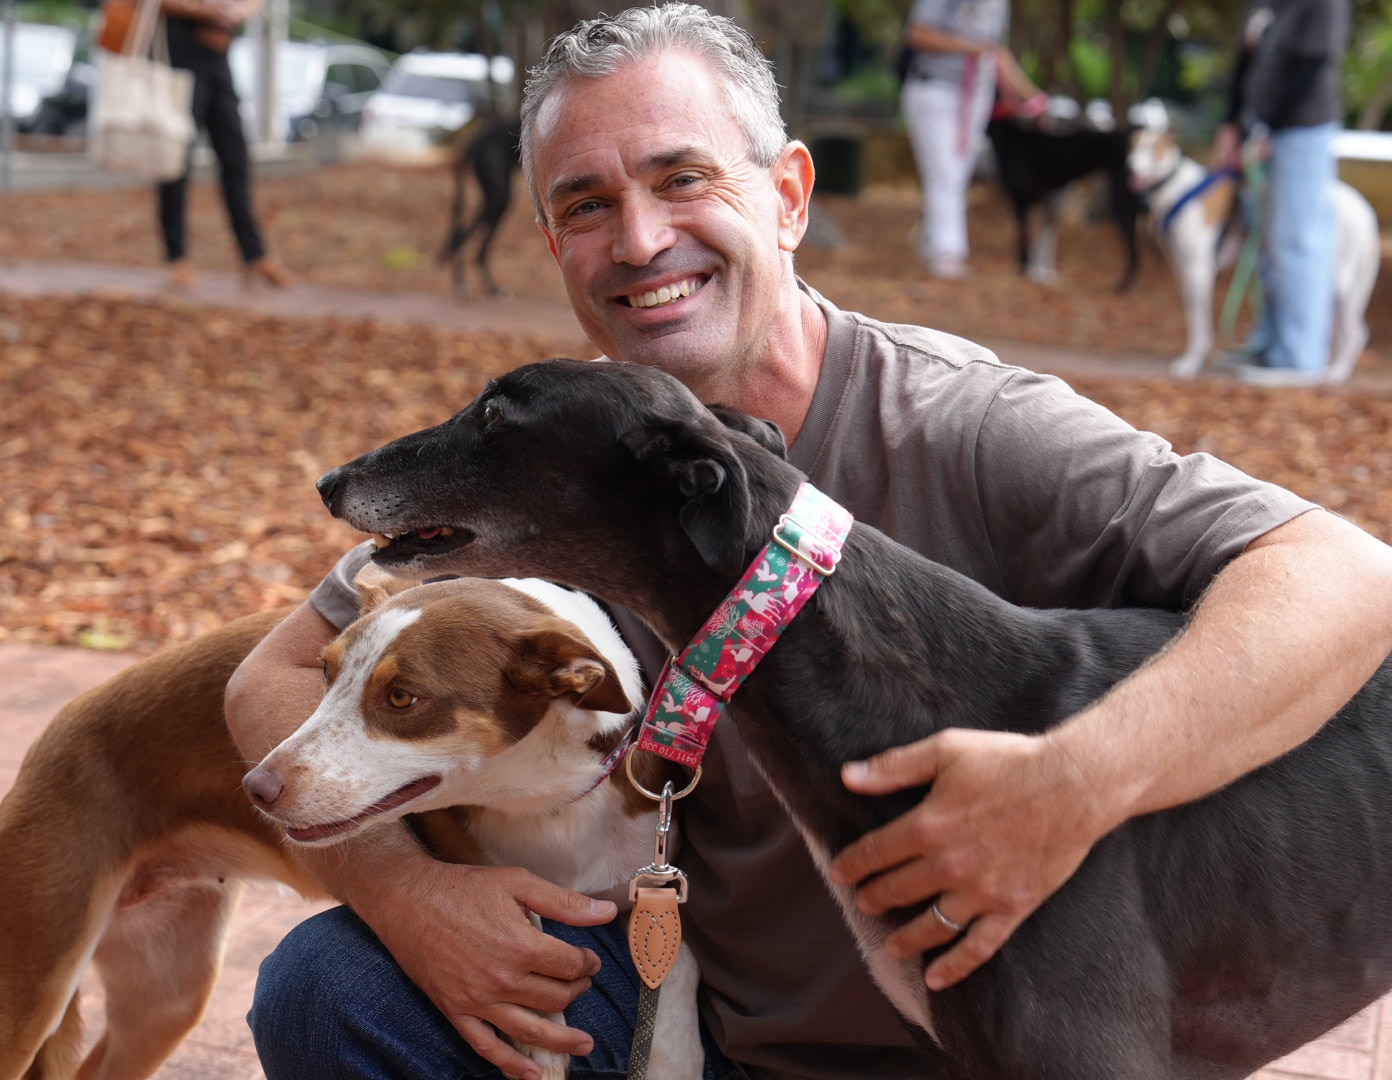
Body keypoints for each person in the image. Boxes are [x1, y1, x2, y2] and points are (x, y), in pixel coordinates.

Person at [224, 6, 1392, 1079]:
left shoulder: (966, 425)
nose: (637, 240)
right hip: (696, 1025)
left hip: (1003, 1031)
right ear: (551, 243)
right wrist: (404, 893)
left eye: (682, 179)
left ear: (786, 195)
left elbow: (1343, 577)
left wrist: (1071, 785)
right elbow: (268, 680)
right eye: (585, 205)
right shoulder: (562, 462)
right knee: (331, 991)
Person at [1213, 0, 1351, 386]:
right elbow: (1246, 57)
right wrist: (1233, 124)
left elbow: (1311, 66)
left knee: (1297, 239)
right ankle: (1270, 346)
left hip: (1301, 128)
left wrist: (1269, 128)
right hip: (1263, 127)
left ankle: (1299, 357)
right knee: (1267, 241)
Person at [899, 0, 1045, 279]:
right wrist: (970, 47)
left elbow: (996, 52)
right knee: (945, 173)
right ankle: (947, 253)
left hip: (977, 94)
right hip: (934, 88)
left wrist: (1029, 96)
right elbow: (918, 34)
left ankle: (932, 239)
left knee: (957, 174)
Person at [156, 0, 295, 291]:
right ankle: (177, 257)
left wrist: (237, 12)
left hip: (218, 58)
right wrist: (205, 12)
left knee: (236, 158)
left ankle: (253, 255)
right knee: (175, 160)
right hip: (178, 54)